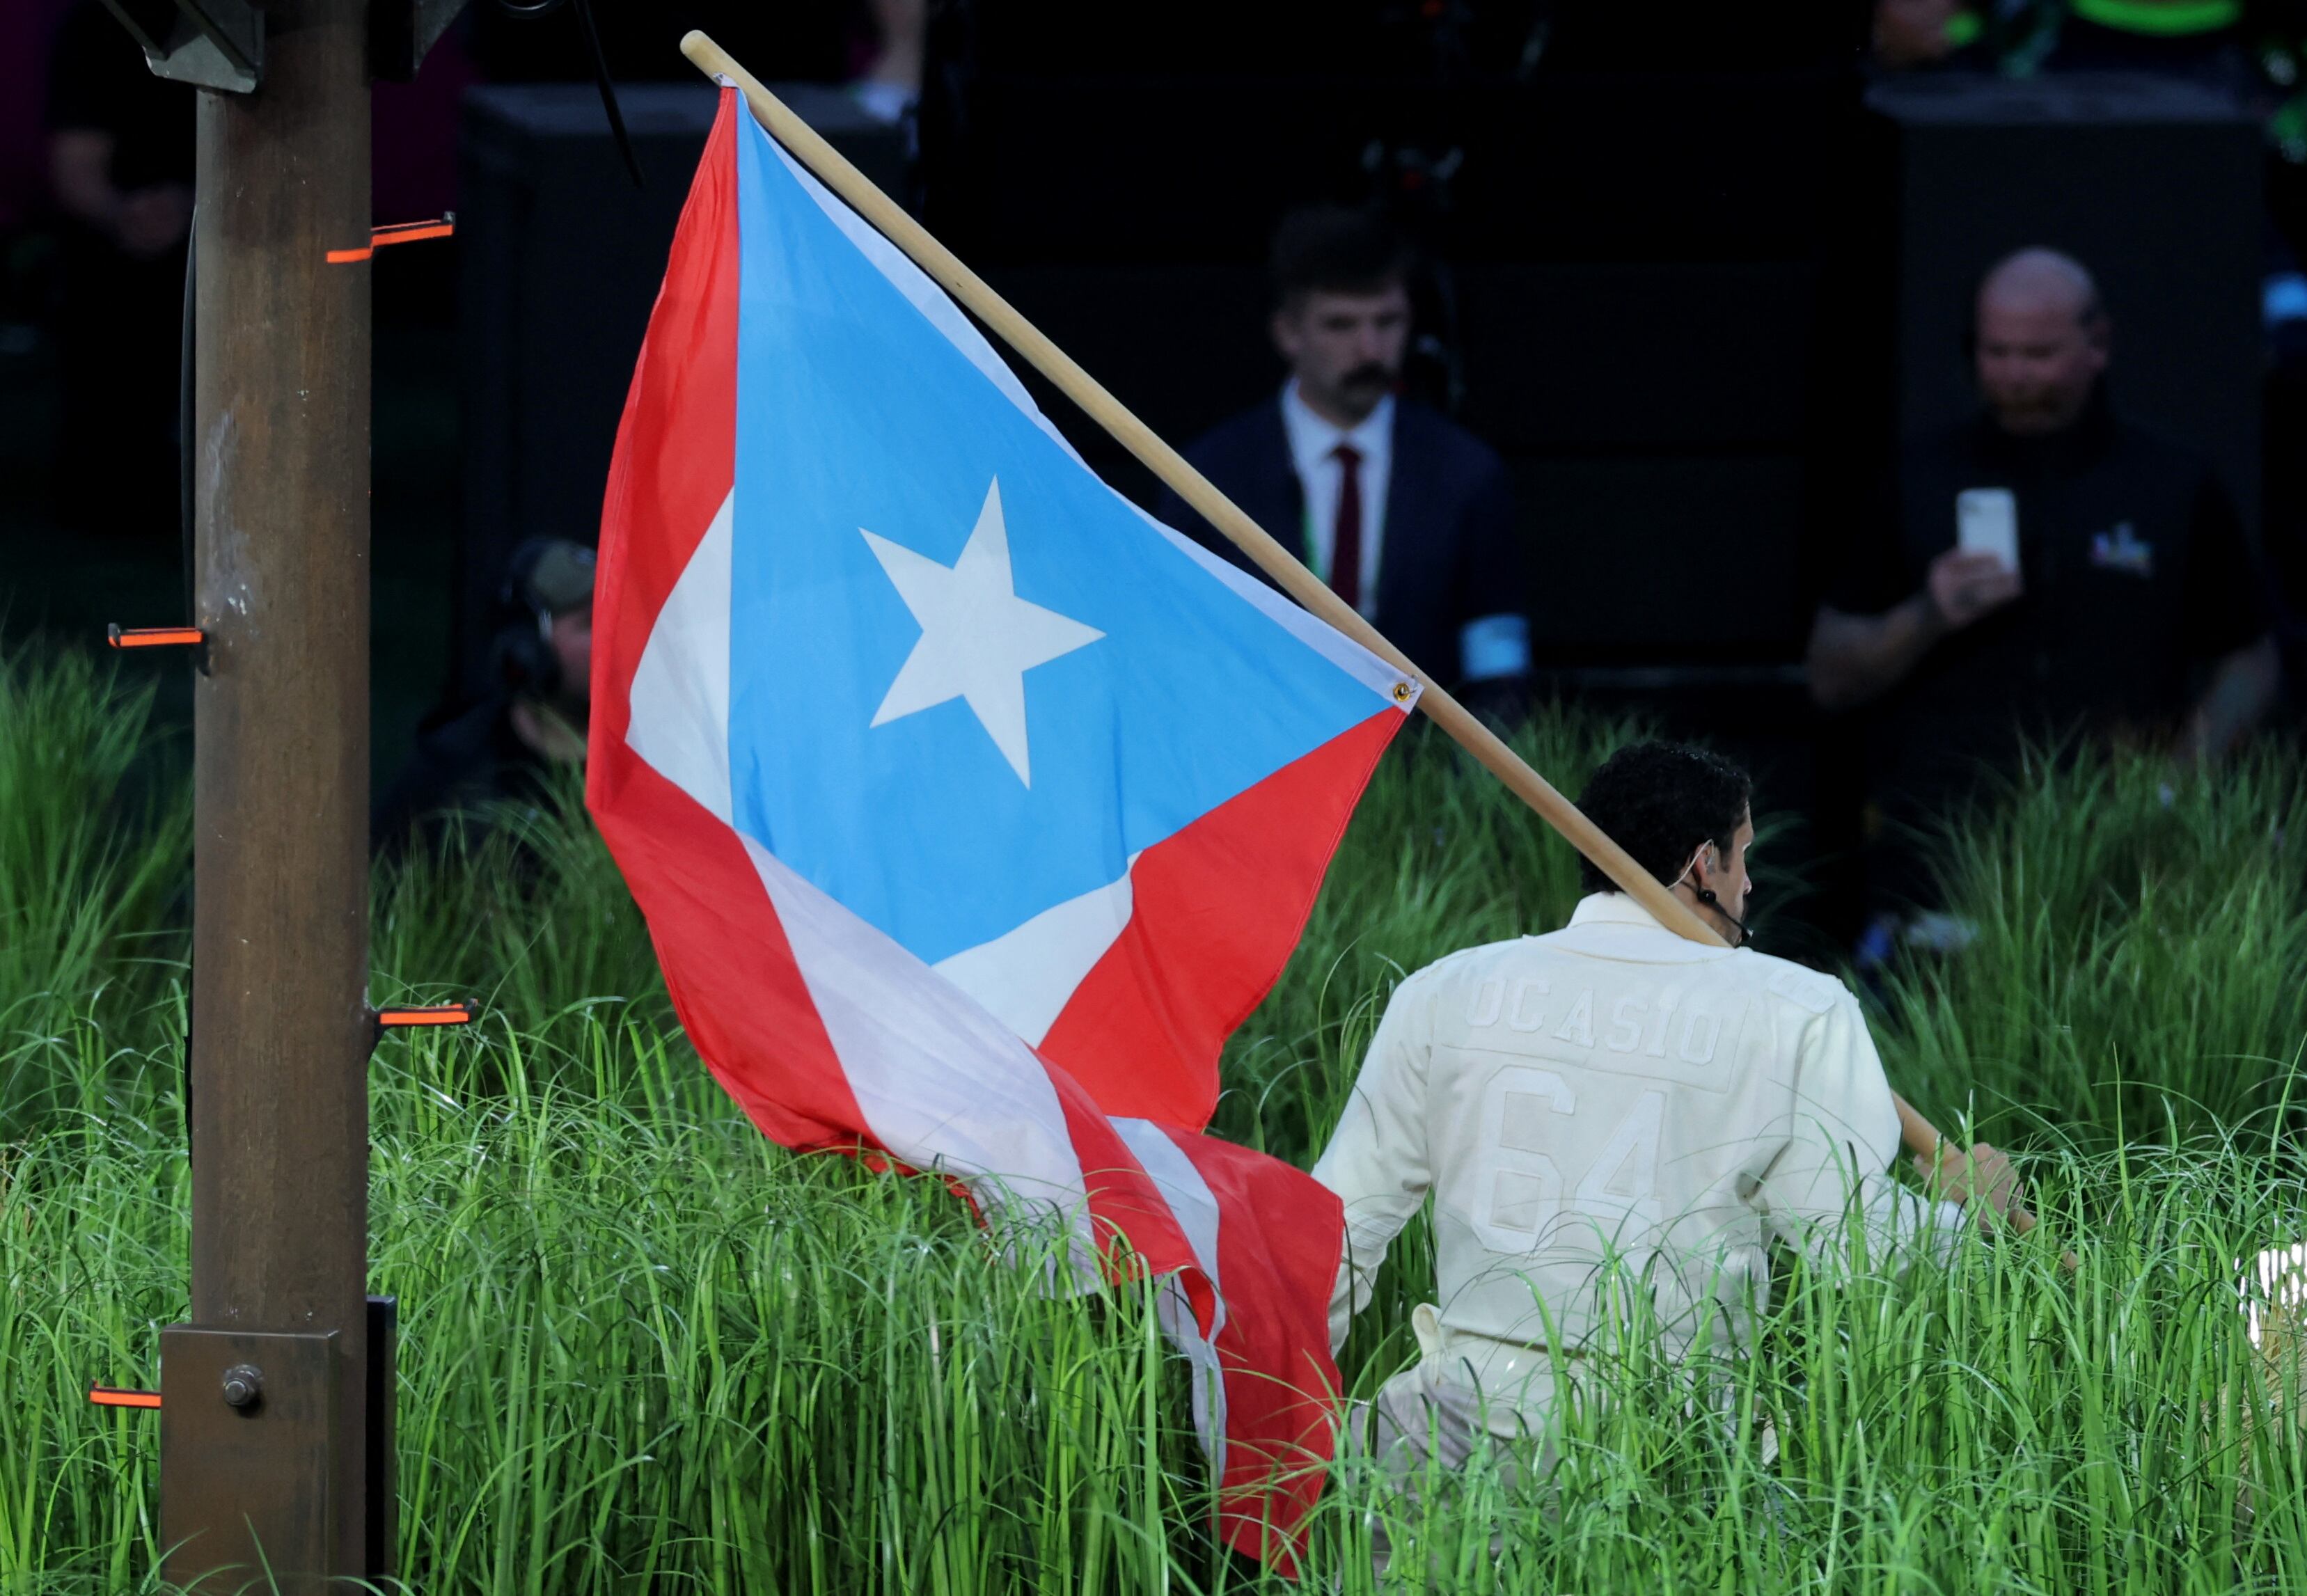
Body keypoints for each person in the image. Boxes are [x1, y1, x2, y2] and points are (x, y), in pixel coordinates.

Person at [1313, 741, 2017, 1502]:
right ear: (1698, 865)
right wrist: (1964, 1215)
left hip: (1445, 1440)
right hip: (1671, 1454)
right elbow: (1861, 1248)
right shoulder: (1799, 1010)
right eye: (1741, 856)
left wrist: (1281, 1443)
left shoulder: (1442, 990)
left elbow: (1336, 1233)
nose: (1748, 884)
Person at [1809, 248, 2281, 922]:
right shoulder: (1919, 479)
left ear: (2097, 343)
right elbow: (1828, 673)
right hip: (1942, 848)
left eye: (2037, 355)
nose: (2014, 377)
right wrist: (1926, 614)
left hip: (2120, 848)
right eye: (1995, 353)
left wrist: (2175, 781)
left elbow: (2250, 659)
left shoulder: (2170, 483)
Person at [1155, 205, 1529, 712]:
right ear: (1288, 332)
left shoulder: (1466, 475)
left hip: (1424, 773)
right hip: (1266, 767)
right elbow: (1180, 655)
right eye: (1341, 325)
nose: (1370, 347)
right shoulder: (1209, 477)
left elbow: (1499, 671)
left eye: (1388, 321)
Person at [45, 0, 194, 535]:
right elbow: (76, 165)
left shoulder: (251, 28)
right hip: (116, 243)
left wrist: (193, 207)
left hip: (223, 224)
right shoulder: (96, 29)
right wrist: (125, 215)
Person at [372, 537, 595, 852]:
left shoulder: (650, 767)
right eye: (590, 623)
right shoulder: (453, 773)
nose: (614, 638)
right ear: (528, 645)